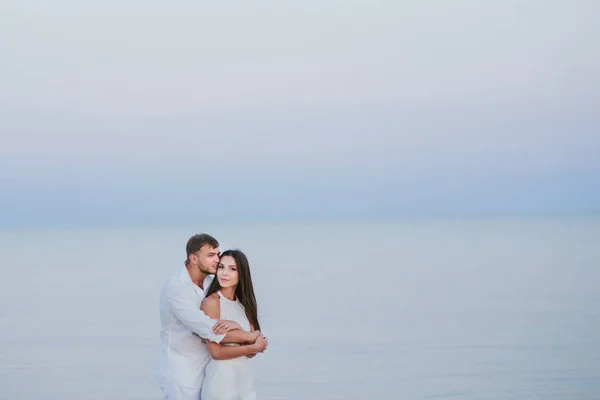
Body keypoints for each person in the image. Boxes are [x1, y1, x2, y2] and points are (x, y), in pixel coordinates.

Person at [157, 234, 268, 400]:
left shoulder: (210, 282)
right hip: (183, 372)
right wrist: (250, 336)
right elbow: (208, 327)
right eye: (211, 256)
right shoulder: (177, 289)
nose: (217, 260)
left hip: (210, 368)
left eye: (217, 254)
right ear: (193, 258)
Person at [200, 249, 266, 400]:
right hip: (220, 384)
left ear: (241, 273)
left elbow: (254, 349)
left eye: (232, 269)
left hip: (244, 383)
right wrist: (252, 344)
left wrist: (236, 326)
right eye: (221, 267)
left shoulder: (244, 306)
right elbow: (216, 352)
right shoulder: (211, 303)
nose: (224, 273)